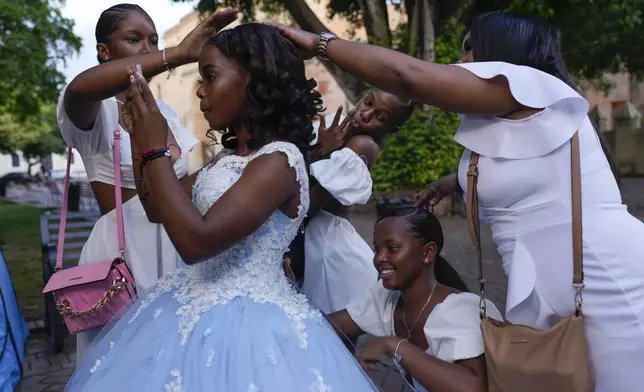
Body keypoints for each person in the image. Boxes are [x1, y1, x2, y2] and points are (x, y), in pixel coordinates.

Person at [270, 11, 644, 391]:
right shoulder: (504, 117)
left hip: (601, 276)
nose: (461, 61)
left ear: (504, 52)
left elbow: (407, 77)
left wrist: (321, 44)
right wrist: (454, 183)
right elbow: (524, 176)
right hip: (541, 285)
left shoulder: (533, 86)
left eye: (470, 49)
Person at [65, 22, 377, 391]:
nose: (200, 90)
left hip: (249, 326)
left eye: (210, 76)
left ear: (252, 78)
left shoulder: (279, 160)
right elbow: (157, 205)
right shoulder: (228, 160)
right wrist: (140, 138)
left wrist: (155, 148)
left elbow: (196, 243)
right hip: (186, 305)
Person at [56, 4, 238, 364]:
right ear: (104, 52)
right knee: (128, 364)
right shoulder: (98, 110)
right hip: (122, 261)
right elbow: (79, 90)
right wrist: (178, 54)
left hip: (178, 248)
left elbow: (183, 186)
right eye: (134, 39)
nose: (148, 48)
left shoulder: (167, 113)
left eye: (154, 40)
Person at [330, 203, 501, 392]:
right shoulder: (387, 300)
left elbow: (474, 388)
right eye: (377, 249)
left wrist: (395, 346)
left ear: (428, 252)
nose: (379, 258)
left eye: (392, 248)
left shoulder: (461, 309)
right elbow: (329, 326)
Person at [301, 91, 414, 314]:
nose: (365, 114)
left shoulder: (363, 145)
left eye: (380, 117)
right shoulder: (336, 126)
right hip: (303, 231)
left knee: (323, 328)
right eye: (368, 102)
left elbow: (308, 205)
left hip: (321, 244)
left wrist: (320, 151)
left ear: (390, 129)